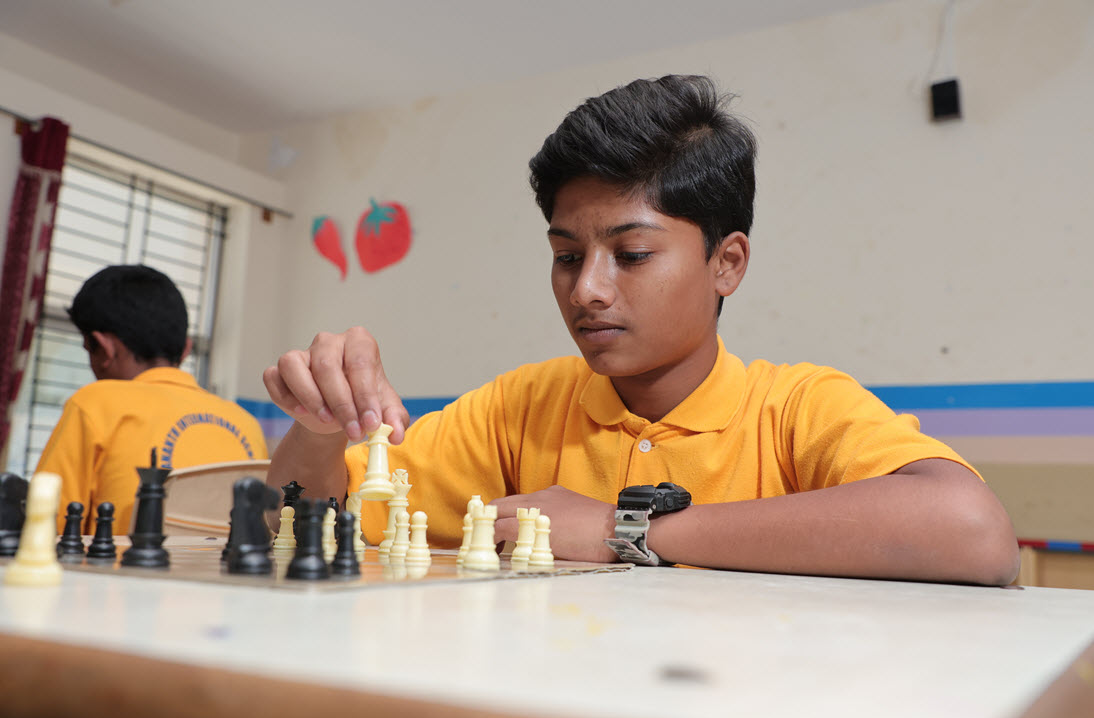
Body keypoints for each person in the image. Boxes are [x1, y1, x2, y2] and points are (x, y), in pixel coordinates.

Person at [263, 75, 1019, 585]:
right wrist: (320, 431)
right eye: (566, 256)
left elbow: (975, 533)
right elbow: (292, 522)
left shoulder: (794, 409)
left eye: (631, 255)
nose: (586, 289)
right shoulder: (520, 408)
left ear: (726, 263)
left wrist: (619, 530)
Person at [37, 264, 268, 533]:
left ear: (103, 348)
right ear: (186, 349)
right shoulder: (247, 424)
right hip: (225, 563)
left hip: (119, 563)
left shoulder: (94, 404)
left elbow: (44, 527)